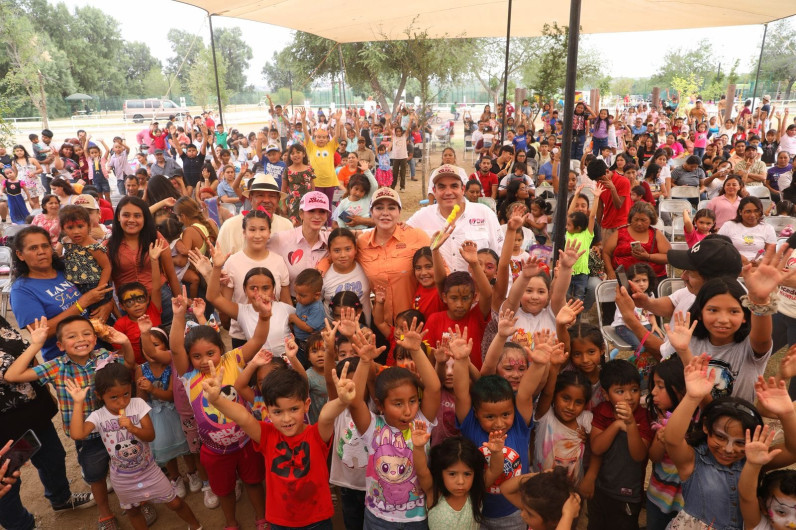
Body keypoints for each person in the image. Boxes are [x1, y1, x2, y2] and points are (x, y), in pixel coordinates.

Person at [4, 315, 137, 530]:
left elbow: (130, 365)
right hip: (88, 437)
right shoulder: (57, 367)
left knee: (128, 468)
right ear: (60, 345)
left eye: (86, 334)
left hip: (117, 430)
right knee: (96, 477)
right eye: (71, 336)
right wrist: (36, 344)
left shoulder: (106, 357)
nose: (80, 339)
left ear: (95, 339)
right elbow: (12, 375)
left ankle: (137, 503)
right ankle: (105, 513)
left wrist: (125, 343)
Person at [202, 346, 355, 529]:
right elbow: (242, 417)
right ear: (267, 411)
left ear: (306, 405)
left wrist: (341, 401)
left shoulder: (316, 434)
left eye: (293, 409)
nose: (287, 418)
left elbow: (326, 416)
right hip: (280, 521)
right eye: (277, 411)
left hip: (317, 519)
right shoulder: (266, 434)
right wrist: (216, 399)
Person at [169, 288, 270, 530]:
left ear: (220, 350)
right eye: (197, 356)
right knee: (223, 491)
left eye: (210, 353)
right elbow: (174, 349)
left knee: (254, 482)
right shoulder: (189, 375)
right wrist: (178, 315)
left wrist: (265, 318)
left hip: (246, 442)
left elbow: (257, 340)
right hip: (214, 450)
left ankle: (261, 517)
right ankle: (231, 522)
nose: (204, 360)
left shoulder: (233, 360)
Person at [663, 355, 795, 530]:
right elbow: (672, 440)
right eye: (720, 437)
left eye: (740, 442)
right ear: (705, 427)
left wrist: (787, 414)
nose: (728, 449)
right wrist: (693, 397)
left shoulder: (754, 461)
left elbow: (792, 450)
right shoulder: (693, 460)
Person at [66, 363, 203, 530]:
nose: (122, 401)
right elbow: (77, 434)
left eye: (126, 394)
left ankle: (196, 526)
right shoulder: (98, 416)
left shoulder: (137, 404)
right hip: (122, 479)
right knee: (133, 512)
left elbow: (150, 435)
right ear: (100, 395)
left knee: (175, 503)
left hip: (150, 471)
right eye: (114, 397)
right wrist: (78, 403)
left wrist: (132, 428)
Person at [0, 314, 96, 530]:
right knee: (7, 478)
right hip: (4, 423)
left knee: (52, 456)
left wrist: (44, 390)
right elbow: (11, 373)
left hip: (32, 411)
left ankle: (61, 498)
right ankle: (22, 526)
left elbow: (25, 351)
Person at [347, 320, 441, 527]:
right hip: (378, 519)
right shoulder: (372, 427)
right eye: (398, 404)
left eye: (413, 401)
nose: (408, 410)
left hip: (417, 518)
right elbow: (354, 402)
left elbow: (434, 388)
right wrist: (364, 361)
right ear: (380, 404)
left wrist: (416, 351)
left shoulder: (421, 423)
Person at [452, 324, 546, 528]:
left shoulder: (519, 425)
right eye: (490, 417)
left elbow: (525, 393)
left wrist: (538, 365)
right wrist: (460, 360)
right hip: (477, 512)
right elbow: (460, 394)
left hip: (514, 514)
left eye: (506, 414)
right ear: (476, 414)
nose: (499, 423)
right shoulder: (471, 426)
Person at [10, 226, 113, 361]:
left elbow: (101, 282)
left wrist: (107, 305)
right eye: (33, 248)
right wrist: (81, 304)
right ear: (20, 255)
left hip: (101, 348)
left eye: (45, 246)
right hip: (66, 361)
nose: (41, 252)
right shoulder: (22, 291)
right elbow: (41, 332)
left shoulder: (68, 268)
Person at [588, 360, 652, 530]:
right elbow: (596, 448)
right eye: (620, 391)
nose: (629, 397)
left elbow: (639, 456)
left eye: (634, 390)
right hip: (601, 490)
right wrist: (616, 425)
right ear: (606, 394)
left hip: (628, 494)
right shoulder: (603, 411)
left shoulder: (643, 417)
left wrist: (631, 425)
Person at [408, 165, 504, 273]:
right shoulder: (422, 216)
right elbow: (399, 233)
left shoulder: (484, 213)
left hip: (478, 289)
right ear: (434, 191)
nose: (448, 192)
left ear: (463, 189)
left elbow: (501, 255)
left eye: (454, 186)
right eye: (442, 187)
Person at [357, 187, 431, 324]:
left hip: (416, 321)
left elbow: (440, 270)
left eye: (391, 208)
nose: (385, 213)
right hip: (382, 323)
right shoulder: (362, 243)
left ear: (399, 212)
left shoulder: (416, 236)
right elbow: (337, 247)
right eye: (379, 208)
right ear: (371, 213)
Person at [107, 196, 181, 326]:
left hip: (161, 299)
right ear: (118, 217)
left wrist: (180, 301)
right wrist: (119, 318)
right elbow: (106, 286)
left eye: (137, 216)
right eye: (126, 215)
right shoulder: (109, 245)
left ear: (144, 218)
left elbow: (171, 274)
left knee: (170, 338)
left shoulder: (155, 238)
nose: (131, 220)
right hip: (129, 304)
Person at [411, 428, 500, 530]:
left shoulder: (475, 493)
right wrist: (418, 447)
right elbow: (422, 472)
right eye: (452, 474)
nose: (460, 482)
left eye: (467, 474)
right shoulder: (434, 493)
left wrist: (497, 452)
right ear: (441, 472)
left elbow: (495, 471)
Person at [215, 173, 292, 256]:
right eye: (260, 195)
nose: (266, 200)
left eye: (272, 196)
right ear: (251, 199)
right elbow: (218, 261)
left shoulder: (286, 226)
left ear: (278, 200)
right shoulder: (230, 226)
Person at [602, 201, 670, 281]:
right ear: (631, 219)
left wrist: (648, 257)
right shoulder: (620, 232)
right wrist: (610, 271)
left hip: (652, 279)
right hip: (623, 279)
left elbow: (668, 257)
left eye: (643, 220)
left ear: (651, 220)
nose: (639, 223)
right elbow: (606, 252)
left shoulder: (656, 234)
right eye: (636, 219)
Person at [500, 467, 582, 530]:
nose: (522, 514)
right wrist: (539, 475)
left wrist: (568, 514)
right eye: (523, 509)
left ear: (553, 522)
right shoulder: (537, 508)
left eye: (529, 513)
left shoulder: (540, 508)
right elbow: (506, 489)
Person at [718, 196, 777, 264]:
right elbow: (719, 248)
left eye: (756, 211)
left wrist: (760, 262)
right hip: (733, 264)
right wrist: (738, 258)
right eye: (748, 211)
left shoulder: (768, 228)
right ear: (740, 212)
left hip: (758, 267)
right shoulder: (728, 226)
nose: (752, 215)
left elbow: (771, 255)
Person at [587, 159, 631, 241]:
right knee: (605, 253)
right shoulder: (599, 184)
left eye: (601, 179)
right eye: (597, 180)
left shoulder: (624, 181)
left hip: (622, 225)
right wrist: (597, 226)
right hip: (606, 226)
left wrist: (613, 189)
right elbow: (600, 208)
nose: (600, 182)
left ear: (607, 171)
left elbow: (618, 206)